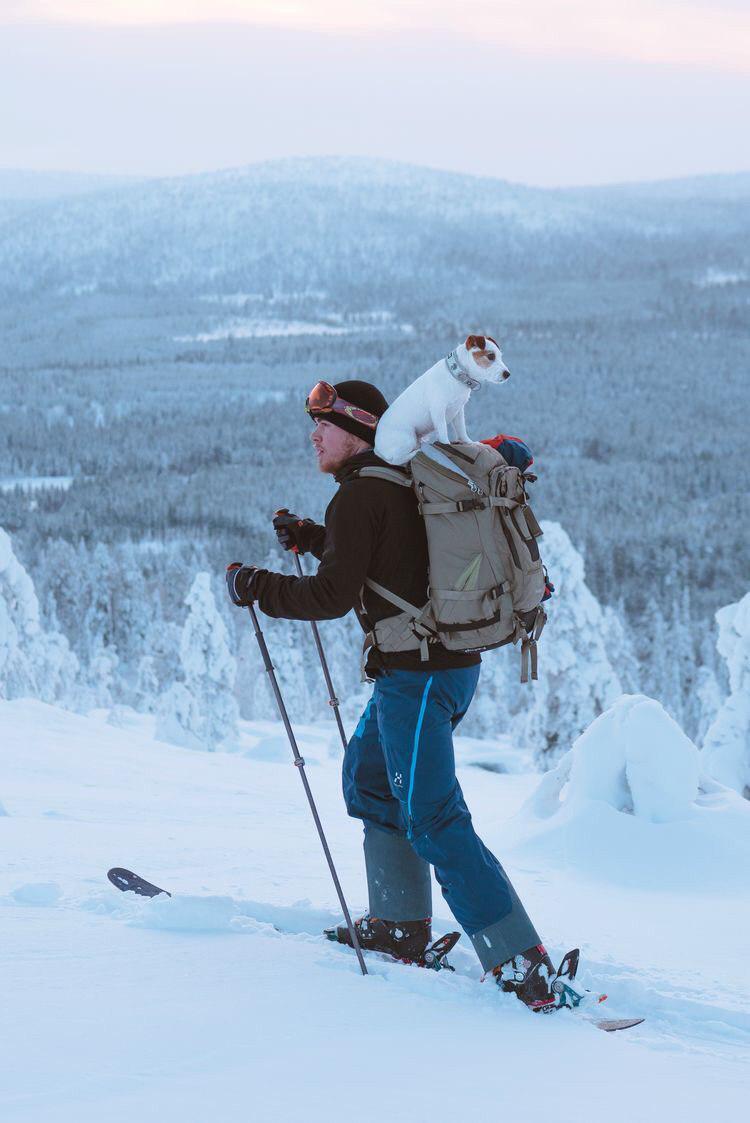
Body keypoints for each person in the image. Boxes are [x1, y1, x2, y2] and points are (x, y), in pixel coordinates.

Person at [226, 379, 562, 1011]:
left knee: (433, 818)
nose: (313, 434)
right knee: (372, 783)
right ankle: (400, 927)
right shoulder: (402, 480)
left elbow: (330, 598)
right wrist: (316, 537)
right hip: (433, 671)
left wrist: (257, 586)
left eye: (323, 423)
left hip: (420, 675)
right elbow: (397, 559)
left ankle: (522, 964)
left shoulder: (361, 496)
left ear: (357, 429)